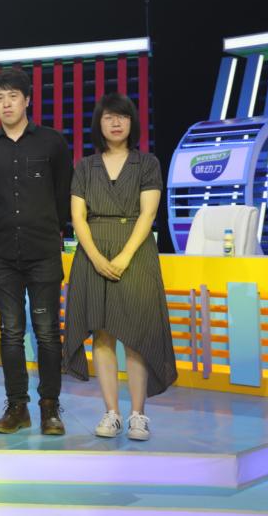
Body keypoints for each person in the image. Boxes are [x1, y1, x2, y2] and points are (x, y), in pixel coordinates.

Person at [63, 93, 177, 441]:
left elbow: (148, 213)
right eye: (109, 117)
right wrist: (96, 257)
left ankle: (138, 415)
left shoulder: (147, 163)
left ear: (132, 123)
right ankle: (111, 412)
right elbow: (78, 217)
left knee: (137, 335)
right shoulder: (85, 166)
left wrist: (125, 256)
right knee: (101, 333)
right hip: (92, 252)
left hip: (136, 252)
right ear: (99, 124)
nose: (116, 123)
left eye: (122, 117)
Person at [0, 67, 71, 435]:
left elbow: (63, 193)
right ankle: (17, 407)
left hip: (43, 251)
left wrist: (48, 225)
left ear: (27, 99)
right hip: (2, 253)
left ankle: (50, 408)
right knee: (10, 333)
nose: (6, 104)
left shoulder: (51, 142)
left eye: (13, 96)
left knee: (46, 332)